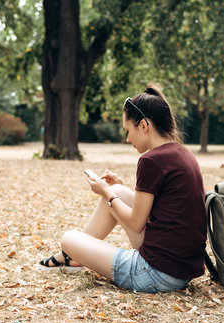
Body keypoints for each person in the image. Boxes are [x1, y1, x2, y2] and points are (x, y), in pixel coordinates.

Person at [36, 84, 207, 293]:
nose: (127, 139)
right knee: (119, 192)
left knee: (69, 238)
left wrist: (105, 192)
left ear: (143, 125)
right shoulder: (183, 153)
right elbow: (164, 208)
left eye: (128, 131)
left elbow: (136, 223)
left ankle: (70, 254)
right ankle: (71, 258)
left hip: (154, 274)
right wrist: (116, 190)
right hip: (180, 270)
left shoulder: (151, 160)